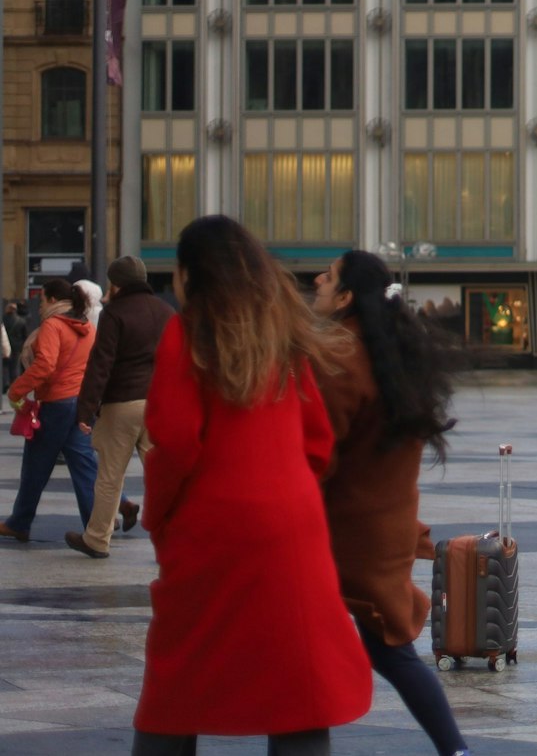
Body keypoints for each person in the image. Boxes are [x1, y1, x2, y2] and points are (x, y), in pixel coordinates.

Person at [131, 216, 372, 754]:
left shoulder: (190, 331)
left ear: (191, 274)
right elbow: (317, 440)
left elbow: (173, 440)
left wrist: (160, 517)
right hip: (292, 525)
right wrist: (289, 493)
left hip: (211, 527)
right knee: (297, 689)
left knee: (177, 683)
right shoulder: (283, 332)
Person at [311, 251, 467, 756]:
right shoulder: (390, 353)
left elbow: (316, 454)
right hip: (384, 529)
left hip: (342, 534)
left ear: (346, 296)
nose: (317, 279)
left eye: (328, 275)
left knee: (310, 651)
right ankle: (457, 751)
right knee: (390, 651)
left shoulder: (341, 359)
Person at [65, 257, 172, 558]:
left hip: (122, 404)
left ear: (116, 283)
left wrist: (85, 409)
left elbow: (101, 364)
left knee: (110, 477)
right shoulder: (166, 311)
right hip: (158, 404)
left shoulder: (116, 313)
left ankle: (97, 539)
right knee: (164, 477)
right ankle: (177, 538)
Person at [0, 279, 99, 542]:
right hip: (79, 403)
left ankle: (20, 522)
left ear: (53, 300)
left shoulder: (53, 326)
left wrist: (16, 390)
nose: (41, 305)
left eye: (42, 300)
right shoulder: (87, 327)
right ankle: (96, 529)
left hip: (56, 403)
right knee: (84, 466)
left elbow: (45, 365)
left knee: (35, 466)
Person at [1, 301, 23, 387]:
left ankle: (5, 383)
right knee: (14, 367)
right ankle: (14, 384)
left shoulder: (2, 320)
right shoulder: (21, 321)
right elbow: (24, 335)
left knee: (4, 367)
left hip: (4, 347)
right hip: (16, 347)